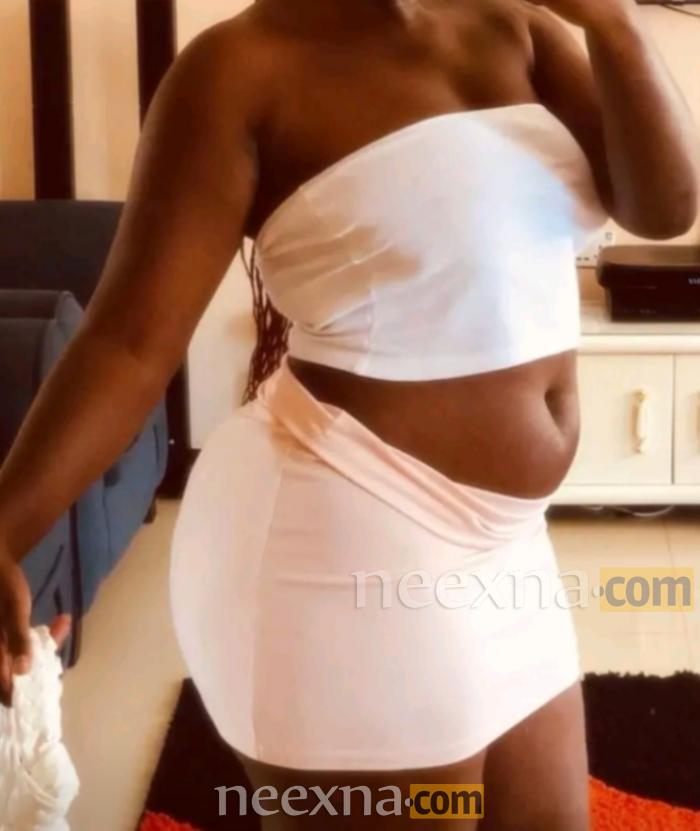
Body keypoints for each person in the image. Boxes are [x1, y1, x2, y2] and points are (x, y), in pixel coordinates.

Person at [0, 0, 697, 828]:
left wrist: (614, 23)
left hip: (509, 546)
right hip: (344, 531)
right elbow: (129, 343)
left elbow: (663, 208)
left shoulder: (518, 26)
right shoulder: (238, 70)